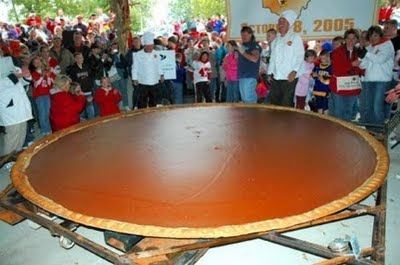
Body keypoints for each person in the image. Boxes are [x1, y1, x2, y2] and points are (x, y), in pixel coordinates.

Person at [358, 26, 394, 129]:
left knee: (377, 108)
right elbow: (363, 65)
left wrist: (366, 54)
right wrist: (361, 60)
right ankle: (370, 130)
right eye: (371, 36)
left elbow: (380, 59)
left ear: (380, 35)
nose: (373, 38)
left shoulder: (387, 44)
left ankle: (379, 131)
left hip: (382, 81)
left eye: (375, 35)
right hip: (369, 80)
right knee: (368, 107)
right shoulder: (370, 47)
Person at [268, 9, 304, 107]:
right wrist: (269, 73)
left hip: (289, 78)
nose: (280, 24)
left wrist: (294, 71)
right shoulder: (275, 40)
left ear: (289, 24)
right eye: (279, 22)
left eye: (283, 22)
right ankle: (275, 122)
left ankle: (287, 122)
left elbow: (300, 56)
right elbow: (272, 58)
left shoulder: (295, 38)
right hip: (275, 77)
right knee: (274, 104)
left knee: (286, 104)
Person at [329, 29, 364, 122]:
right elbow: (337, 70)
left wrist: (360, 67)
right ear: (345, 39)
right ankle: (336, 134)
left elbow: (361, 70)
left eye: (353, 38)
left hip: (352, 87)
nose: (351, 41)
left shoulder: (360, 52)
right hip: (339, 87)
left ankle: (345, 135)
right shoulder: (337, 52)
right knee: (338, 112)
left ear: (357, 39)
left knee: (348, 112)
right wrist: (352, 65)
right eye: (348, 38)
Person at [0, 69, 33, 156]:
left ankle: (17, 157)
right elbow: (3, 83)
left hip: (21, 109)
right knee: (11, 139)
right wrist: (14, 76)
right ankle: (7, 162)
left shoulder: (10, 66)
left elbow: (23, 81)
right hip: (11, 112)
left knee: (21, 136)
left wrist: (26, 76)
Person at [131, 31, 164, 108]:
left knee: (154, 102)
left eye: (152, 46)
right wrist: (134, 79)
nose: (150, 48)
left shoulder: (156, 53)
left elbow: (159, 65)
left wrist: (161, 75)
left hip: (154, 81)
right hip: (143, 82)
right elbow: (134, 67)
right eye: (149, 46)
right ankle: (142, 118)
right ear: (145, 46)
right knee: (142, 102)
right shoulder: (138, 55)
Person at [29, 55, 56, 135]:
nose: (37, 63)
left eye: (38, 61)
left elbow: (49, 84)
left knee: (47, 112)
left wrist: (48, 77)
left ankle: (48, 128)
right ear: (33, 64)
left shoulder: (46, 71)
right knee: (42, 113)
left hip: (47, 94)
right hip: (39, 96)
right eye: (35, 62)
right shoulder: (33, 73)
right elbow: (35, 85)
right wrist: (42, 76)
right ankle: (44, 130)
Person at [237, 26, 262, 104]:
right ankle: (249, 115)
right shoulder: (242, 45)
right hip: (242, 76)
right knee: (244, 99)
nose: (243, 37)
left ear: (250, 34)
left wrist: (243, 53)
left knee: (248, 99)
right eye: (242, 35)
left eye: (245, 35)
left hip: (250, 75)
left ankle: (254, 115)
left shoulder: (254, 45)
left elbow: (255, 59)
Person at [67, 52, 95, 119]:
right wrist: (76, 92)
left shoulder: (87, 67)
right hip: (79, 94)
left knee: (91, 111)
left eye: (82, 57)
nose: (81, 59)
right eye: (79, 58)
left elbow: (91, 77)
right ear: (75, 59)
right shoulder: (73, 69)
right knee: (81, 113)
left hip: (88, 92)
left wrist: (91, 88)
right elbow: (73, 82)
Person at [312, 49, 332, 114]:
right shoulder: (317, 66)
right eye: (321, 58)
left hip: (326, 90)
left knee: (326, 107)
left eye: (324, 58)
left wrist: (323, 79)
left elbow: (330, 80)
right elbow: (313, 74)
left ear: (328, 57)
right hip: (317, 89)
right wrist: (314, 75)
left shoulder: (331, 67)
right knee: (319, 107)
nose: (322, 59)